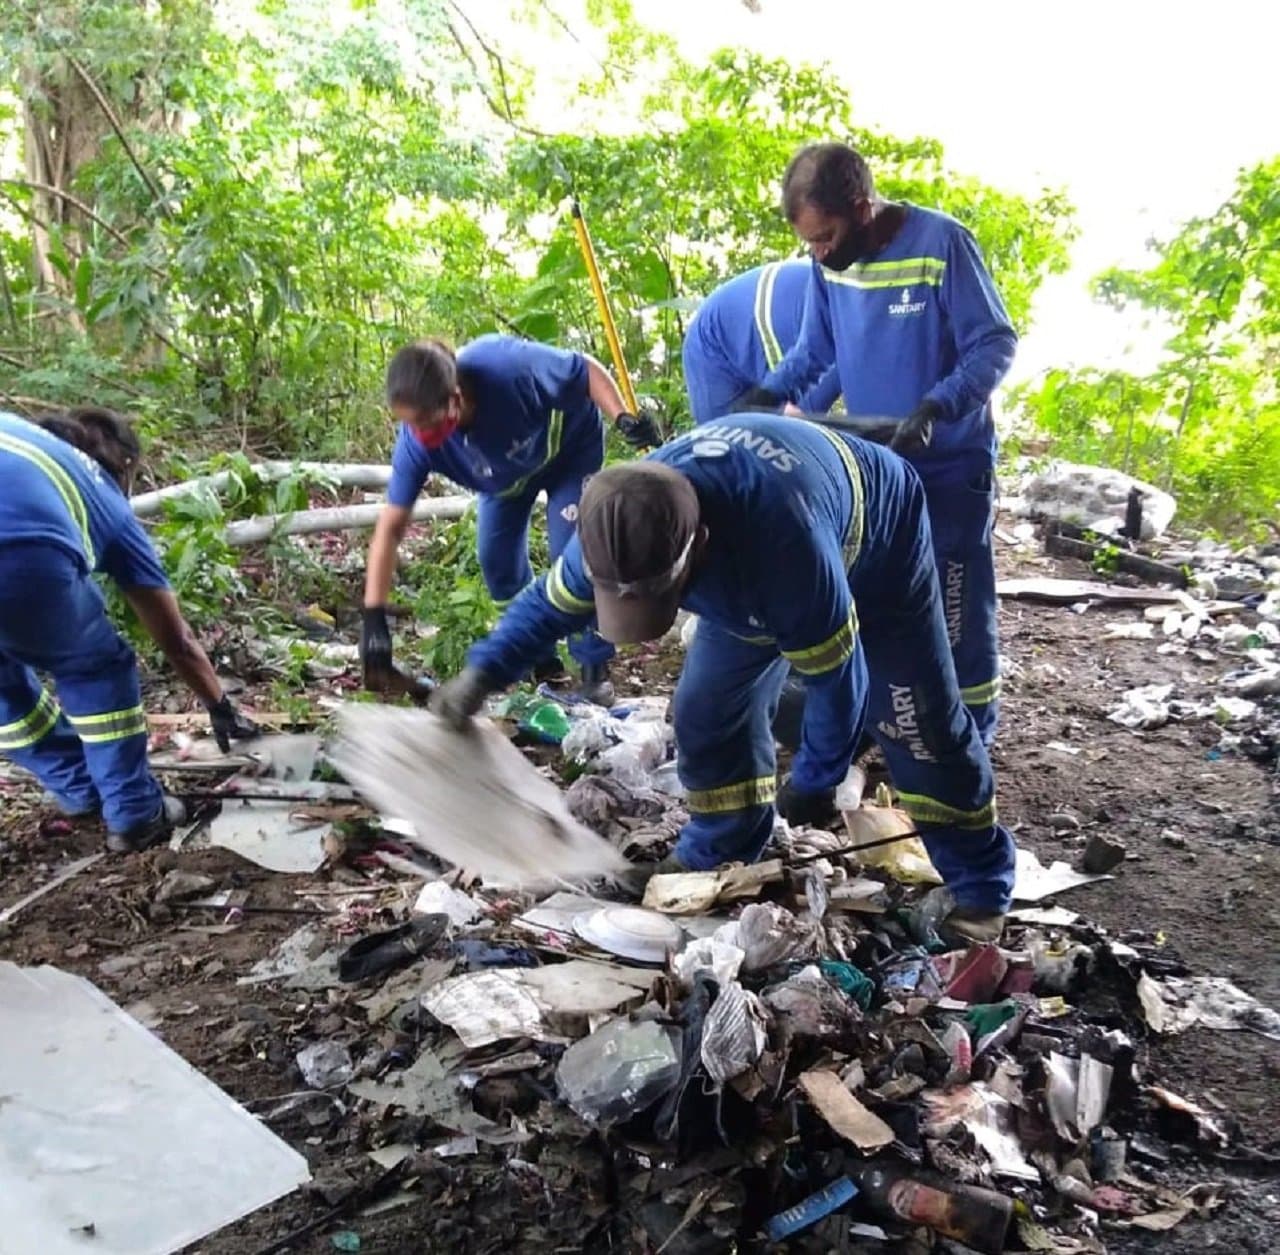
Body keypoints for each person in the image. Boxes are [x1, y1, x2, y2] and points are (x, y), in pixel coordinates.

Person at [434, 414, 1016, 942]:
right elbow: (544, 608)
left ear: (698, 549)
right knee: (705, 713)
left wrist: (816, 781)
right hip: (743, 566)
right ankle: (719, 851)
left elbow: (841, 683)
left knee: (913, 718)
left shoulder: (789, 555)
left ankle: (980, 889)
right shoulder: (615, 530)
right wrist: (479, 678)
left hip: (878, 533)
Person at [740, 143, 1017, 746]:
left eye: (827, 236)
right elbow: (817, 351)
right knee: (882, 599)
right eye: (810, 242)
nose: (818, 252)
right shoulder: (829, 266)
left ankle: (972, 739)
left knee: (955, 611)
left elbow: (994, 344)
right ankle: (893, 723)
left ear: (863, 209)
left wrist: (936, 406)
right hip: (881, 471)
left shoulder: (942, 245)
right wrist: (763, 395)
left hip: (949, 466)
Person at [0, 408, 259, 852]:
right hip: (18, 558)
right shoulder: (100, 490)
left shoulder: (16, 432)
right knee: (96, 667)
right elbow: (176, 638)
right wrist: (218, 704)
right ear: (123, 467)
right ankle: (135, 813)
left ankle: (78, 787)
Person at [361, 335, 660, 706]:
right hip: (504, 480)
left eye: (423, 421)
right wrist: (373, 617)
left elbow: (584, 370)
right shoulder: (417, 444)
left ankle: (593, 671)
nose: (417, 432)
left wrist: (622, 416)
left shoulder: (506, 367)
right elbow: (390, 528)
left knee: (570, 555)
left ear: (455, 398)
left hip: (568, 451)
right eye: (408, 423)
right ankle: (539, 657)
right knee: (496, 562)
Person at [681, 260, 842, 423]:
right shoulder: (837, 350)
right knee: (720, 438)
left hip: (773, 321)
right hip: (712, 341)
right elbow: (800, 416)